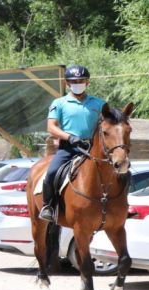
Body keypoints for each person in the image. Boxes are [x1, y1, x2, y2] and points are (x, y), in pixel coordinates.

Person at [39, 65, 107, 222]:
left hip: (92, 149)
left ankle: (120, 206)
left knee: (119, 172)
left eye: (81, 80)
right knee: (51, 173)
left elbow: (108, 124)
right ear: (67, 84)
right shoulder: (59, 103)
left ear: (88, 82)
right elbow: (51, 127)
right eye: (74, 81)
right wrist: (69, 137)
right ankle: (48, 206)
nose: (77, 83)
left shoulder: (99, 104)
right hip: (69, 149)